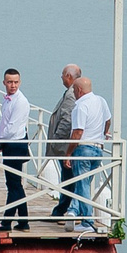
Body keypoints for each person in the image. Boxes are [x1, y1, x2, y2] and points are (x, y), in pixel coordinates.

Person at [66, 74, 112, 233]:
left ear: (78, 90)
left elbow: (78, 132)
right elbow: (108, 120)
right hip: (98, 149)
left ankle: (87, 221)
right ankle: (73, 210)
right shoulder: (101, 100)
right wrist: (103, 134)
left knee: (83, 184)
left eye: (74, 90)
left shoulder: (80, 106)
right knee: (84, 184)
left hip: (83, 149)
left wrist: (68, 153)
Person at [0, 67, 33, 232]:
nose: (13, 85)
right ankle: (24, 221)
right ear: (4, 83)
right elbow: (3, 123)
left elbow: (12, 128)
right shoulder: (8, 100)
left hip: (15, 144)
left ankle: (6, 222)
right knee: (15, 184)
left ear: (20, 82)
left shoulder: (20, 101)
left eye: (15, 82)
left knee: (13, 185)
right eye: (9, 82)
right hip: (9, 144)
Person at [46, 64, 81, 219]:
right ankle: (64, 208)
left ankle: (62, 209)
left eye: (62, 74)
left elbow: (67, 120)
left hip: (66, 144)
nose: (61, 77)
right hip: (67, 144)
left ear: (68, 76)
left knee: (68, 178)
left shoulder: (72, 94)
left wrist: (56, 139)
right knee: (68, 177)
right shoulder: (74, 92)